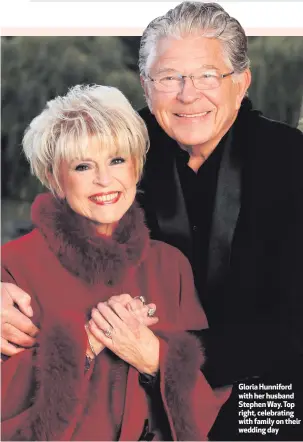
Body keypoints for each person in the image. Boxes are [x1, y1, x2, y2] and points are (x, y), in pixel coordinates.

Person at [2, 1, 303, 439]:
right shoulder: (124, 147)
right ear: (146, 85)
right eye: (168, 78)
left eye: (207, 75)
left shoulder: (292, 159)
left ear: (241, 83)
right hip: (134, 384)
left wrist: (160, 356)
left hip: (270, 386)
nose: (187, 94)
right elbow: (61, 225)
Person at [1, 84, 230, 441]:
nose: (104, 180)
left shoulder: (171, 266)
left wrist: (154, 358)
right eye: (82, 166)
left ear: (136, 166)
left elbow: (208, 405)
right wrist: (88, 341)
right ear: (54, 179)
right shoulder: (12, 266)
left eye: (117, 160)